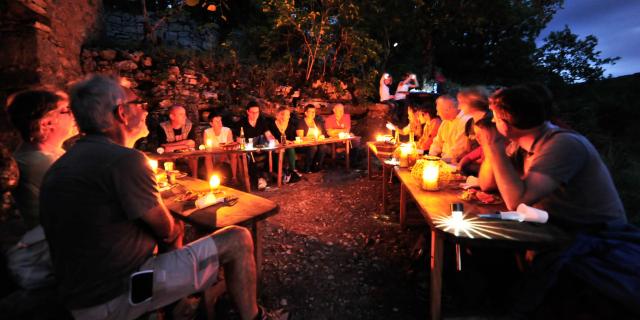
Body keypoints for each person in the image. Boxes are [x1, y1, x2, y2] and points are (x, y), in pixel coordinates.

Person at [39, 75, 286, 320]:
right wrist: (172, 226)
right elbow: (167, 231)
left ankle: (181, 303)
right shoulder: (123, 160)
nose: (146, 111)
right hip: (120, 294)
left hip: (80, 297)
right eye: (139, 104)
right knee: (238, 238)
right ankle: (254, 317)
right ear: (122, 114)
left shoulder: (62, 165)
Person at [476, 85, 640, 318]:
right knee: (485, 243)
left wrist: (493, 147)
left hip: (595, 232)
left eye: (494, 116)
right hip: (553, 225)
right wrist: (492, 148)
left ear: (506, 122)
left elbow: (516, 200)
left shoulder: (562, 144)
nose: (491, 122)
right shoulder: (520, 142)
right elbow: (488, 185)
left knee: (497, 252)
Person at [3, 89, 76, 291]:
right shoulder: (38, 162)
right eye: (66, 110)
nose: (74, 113)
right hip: (60, 246)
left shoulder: (47, 154)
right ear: (45, 124)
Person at [456, 86, 491, 175]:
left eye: (461, 103)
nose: (459, 107)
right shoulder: (470, 123)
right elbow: (468, 148)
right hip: (474, 163)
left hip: (488, 167)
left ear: (472, 103)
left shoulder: (490, 122)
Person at [428, 95, 472, 163]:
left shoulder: (465, 121)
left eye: (438, 111)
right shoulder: (445, 122)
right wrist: (430, 156)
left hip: (456, 162)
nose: (437, 114)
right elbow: (437, 142)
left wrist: (439, 161)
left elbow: (459, 150)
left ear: (447, 110)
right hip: (443, 160)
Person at [268, 106, 301, 183]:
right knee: (280, 150)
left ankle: (292, 170)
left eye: (288, 115)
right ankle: (280, 173)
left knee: (290, 148)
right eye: (283, 114)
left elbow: (293, 138)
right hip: (275, 147)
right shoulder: (271, 125)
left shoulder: (290, 125)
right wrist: (282, 142)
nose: (286, 117)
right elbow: (271, 137)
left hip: (287, 147)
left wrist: (290, 141)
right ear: (278, 115)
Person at [203, 109, 237, 184]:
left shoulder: (227, 131)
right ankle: (210, 177)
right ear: (211, 123)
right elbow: (207, 147)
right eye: (217, 121)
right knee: (207, 156)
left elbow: (229, 146)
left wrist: (222, 155)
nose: (220, 123)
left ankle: (234, 177)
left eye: (220, 121)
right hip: (213, 155)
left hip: (225, 155)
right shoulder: (207, 132)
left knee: (233, 154)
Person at [296, 104, 329, 173]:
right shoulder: (301, 122)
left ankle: (317, 166)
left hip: (316, 143)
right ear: (306, 113)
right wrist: (311, 137)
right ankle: (307, 167)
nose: (313, 113)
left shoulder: (317, 122)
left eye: (314, 112)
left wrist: (321, 136)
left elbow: (323, 134)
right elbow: (300, 137)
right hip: (304, 145)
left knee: (324, 147)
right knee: (313, 147)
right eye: (310, 112)